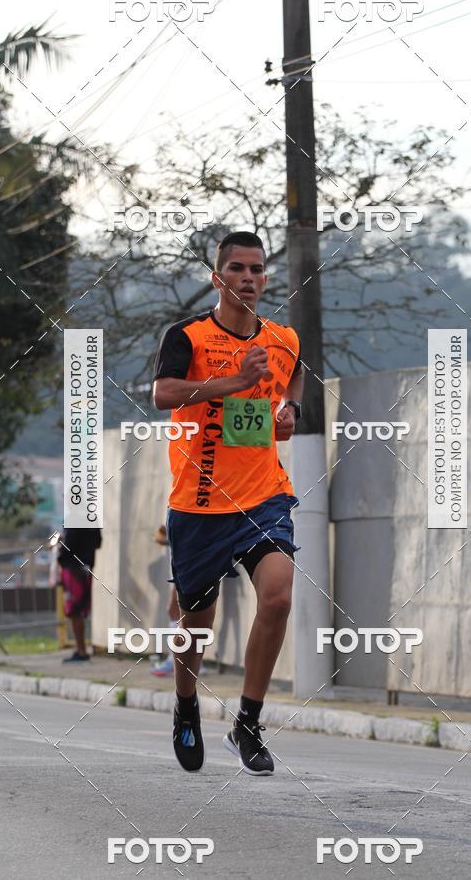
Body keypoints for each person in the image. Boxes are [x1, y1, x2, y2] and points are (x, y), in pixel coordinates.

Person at [152, 230, 304, 775]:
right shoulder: (187, 336)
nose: (247, 277)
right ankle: (187, 707)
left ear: (265, 279)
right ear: (218, 278)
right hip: (197, 502)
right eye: (237, 268)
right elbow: (163, 394)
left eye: (256, 269)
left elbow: (293, 390)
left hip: (264, 496)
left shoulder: (285, 340)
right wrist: (233, 380)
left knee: (280, 598)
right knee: (197, 622)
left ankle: (248, 723)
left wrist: (290, 415)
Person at [57, 527, 102, 663]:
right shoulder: (92, 517)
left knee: (74, 611)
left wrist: (60, 550)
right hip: (87, 567)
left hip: (73, 568)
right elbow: (98, 542)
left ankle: (81, 651)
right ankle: (81, 649)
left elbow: (69, 544)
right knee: (81, 610)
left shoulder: (75, 517)